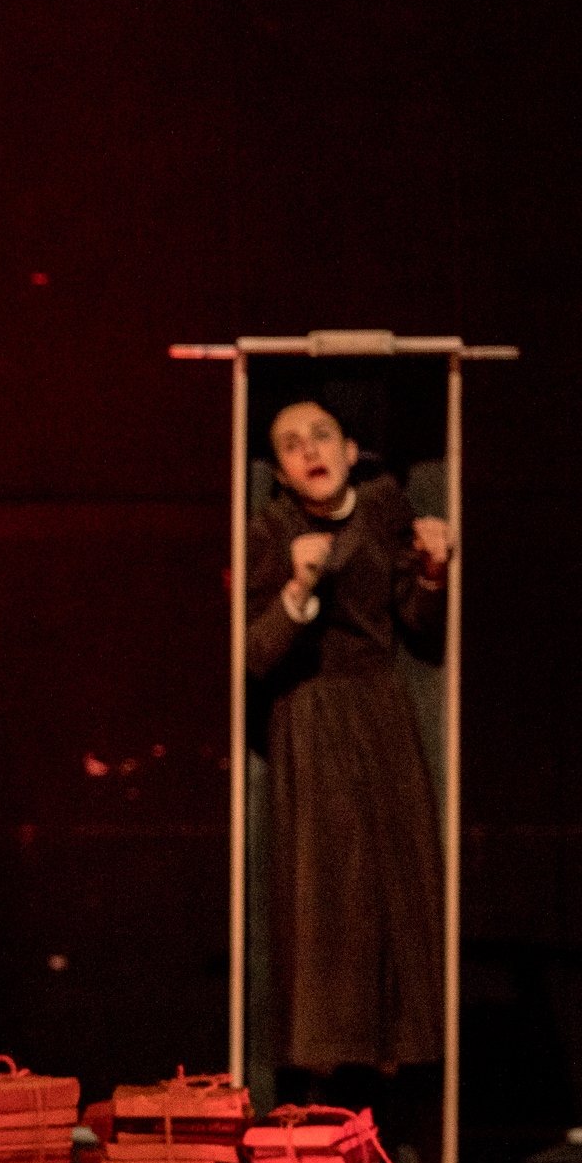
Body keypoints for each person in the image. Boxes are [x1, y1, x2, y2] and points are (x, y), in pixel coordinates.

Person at [245, 399, 450, 1106]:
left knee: (394, 884)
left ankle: (393, 1066)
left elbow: (421, 628)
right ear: (280, 471)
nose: (311, 451)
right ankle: (322, 1075)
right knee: (326, 892)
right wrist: (299, 585)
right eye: (292, 444)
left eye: (322, 436)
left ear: (350, 448)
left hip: (381, 714)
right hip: (310, 717)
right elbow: (255, 655)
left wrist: (432, 570)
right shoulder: (272, 530)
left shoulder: (384, 507)